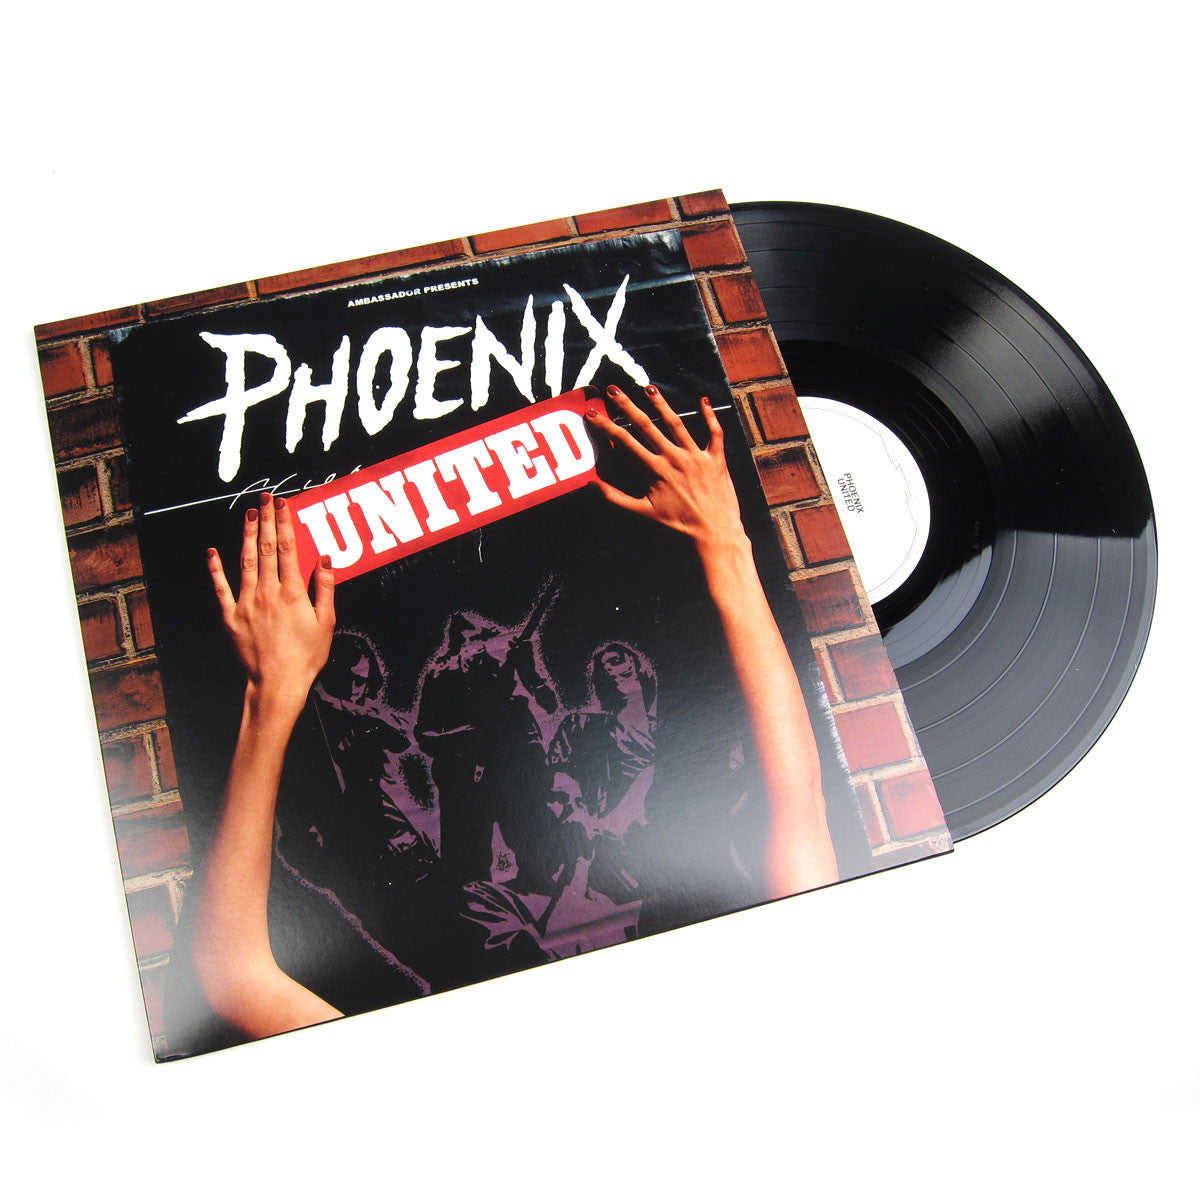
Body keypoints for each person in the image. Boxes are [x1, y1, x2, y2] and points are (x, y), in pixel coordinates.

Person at [186, 384, 839, 1040]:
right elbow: (799, 797)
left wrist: (271, 691)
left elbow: (234, 979)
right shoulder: (607, 837)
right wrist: (724, 544)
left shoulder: (485, 915)